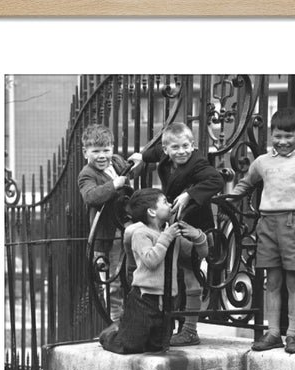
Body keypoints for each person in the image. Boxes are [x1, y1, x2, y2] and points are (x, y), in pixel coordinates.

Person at [229, 107, 295, 354]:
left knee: (294, 280)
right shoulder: (262, 162)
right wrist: (228, 199)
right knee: (271, 281)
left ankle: (292, 334)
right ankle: (273, 333)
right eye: (278, 136)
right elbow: (245, 184)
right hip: (267, 224)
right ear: (271, 135)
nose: (283, 142)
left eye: (288, 136)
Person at [132, 123, 224, 346]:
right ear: (167, 150)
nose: (181, 151)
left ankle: (190, 330)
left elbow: (217, 180)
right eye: (175, 147)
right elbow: (153, 152)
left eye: (186, 146)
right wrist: (141, 156)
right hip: (174, 225)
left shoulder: (197, 162)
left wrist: (189, 194)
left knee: (191, 275)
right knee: (175, 275)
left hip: (196, 228)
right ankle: (169, 325)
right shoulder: (164, 157)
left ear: (192, 146)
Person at [100, 188, 209, 354]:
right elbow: (151, 260)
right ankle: (110, 334)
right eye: (165, 202)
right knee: (130, 346)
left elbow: (200, 254)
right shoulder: (141, 234)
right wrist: (167, 237)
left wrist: (198, 236)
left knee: (158, 345)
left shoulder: (171, 235)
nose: (170, 205)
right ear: (151, 212)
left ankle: (127, 330)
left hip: (167, 300)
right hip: (144, 298)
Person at [77, 124, 142, 324]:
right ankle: (116, 322)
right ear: (85, 152)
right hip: (108, 236)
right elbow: (91, 197)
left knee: (133, 274)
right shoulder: (87, 174)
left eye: (106, 150)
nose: (102, 156)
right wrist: (114, 185)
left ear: (112, 148)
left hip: (128, 228)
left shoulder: (116, 161)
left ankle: (135, 316)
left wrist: (138, 163)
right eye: (95, 151)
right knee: (112, 281)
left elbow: (129, 175)